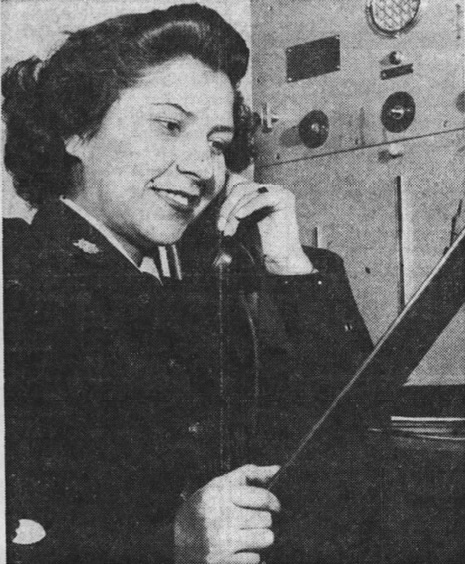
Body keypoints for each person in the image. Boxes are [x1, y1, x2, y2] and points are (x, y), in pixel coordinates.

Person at [2, 4, 373, 563]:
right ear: (78, 130)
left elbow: (351, 435)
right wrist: (166, 545)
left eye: (218, 143)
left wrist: (288, 263)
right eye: (170, 125)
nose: (203, 167)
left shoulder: (176, 287)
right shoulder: (22, 280)